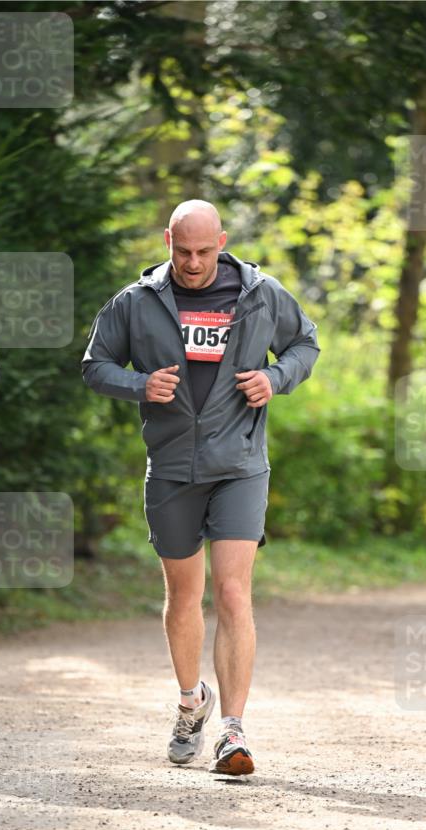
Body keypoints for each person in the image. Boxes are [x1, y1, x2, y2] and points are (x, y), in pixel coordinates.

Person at [82, 200, 319, 775]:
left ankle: (233, 732)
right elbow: (94, 365)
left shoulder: (261, 293)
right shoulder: (135, 302)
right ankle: (192, 703)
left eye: (204, 251)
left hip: (239, 462)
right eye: (182, 251)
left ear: (223, 241)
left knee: (234, 594)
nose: (192, 263)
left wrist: (274, 377)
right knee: (184, 597)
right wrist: (140, 384)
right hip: (170, 468)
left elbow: (305, 344)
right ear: (167, 240)